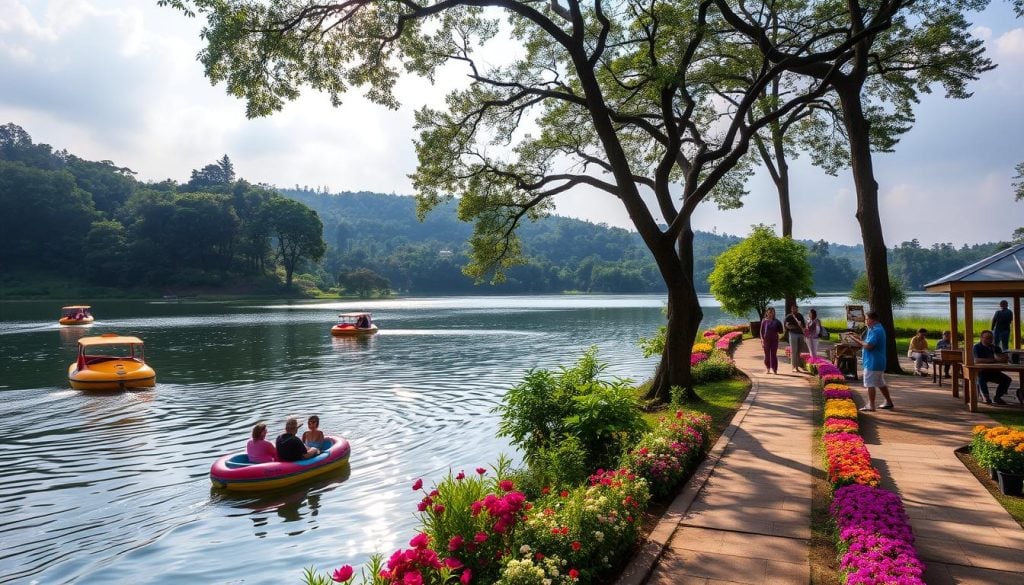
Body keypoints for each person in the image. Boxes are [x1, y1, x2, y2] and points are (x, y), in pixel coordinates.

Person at [849, 310, 894, 411]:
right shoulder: (874, 328)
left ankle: (871, 405)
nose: (865, 321)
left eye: (866, 319)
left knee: (870, 384)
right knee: (880, 383)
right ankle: (888, 401)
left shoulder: (876, 330)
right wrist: (857, 337)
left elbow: (869, 346)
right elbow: (867, 342)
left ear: (871, 320)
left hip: (873, 362)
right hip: (876, 361)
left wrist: (855, 340)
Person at [973, 329, 1011, 405]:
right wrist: (994, 360)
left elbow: (1002, 359)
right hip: (982, 371)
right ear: (981, 338)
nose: (989, 340)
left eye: (991, 338)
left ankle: (998, 397)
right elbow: (977, 360)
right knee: (981, 378)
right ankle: (986, 397)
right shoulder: (977, 347)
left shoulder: (996, 348)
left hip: (994, 371)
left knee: (1007, 379)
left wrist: (1004, 358)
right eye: (987, 338)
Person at [760, 307, 784, 374]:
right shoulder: (764, 321)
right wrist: (762, 340)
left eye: (772, 312)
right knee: (767, 355)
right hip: (766, 341)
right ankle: (768, 368)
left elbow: (781, 331)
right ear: (767, 312)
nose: (771, 313)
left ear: (774, 313)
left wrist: (779, 332)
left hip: (774, 341)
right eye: (769, 312)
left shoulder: (777, 321)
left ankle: (775, 369)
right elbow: (761, 331)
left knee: (773, 355)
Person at [784, 304, 807, 372]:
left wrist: (801, 325)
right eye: (793, 309)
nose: (794, 310)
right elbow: (786, 325)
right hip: (793, 334)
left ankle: (798, 365)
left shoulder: (800, 315)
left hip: (800, 334)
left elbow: (804, 325)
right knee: (794, 351)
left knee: (799, 351)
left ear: (797, 309)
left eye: (796, 309)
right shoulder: (789, 316)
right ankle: (794, 367)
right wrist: (794, 326)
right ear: (791, 309)